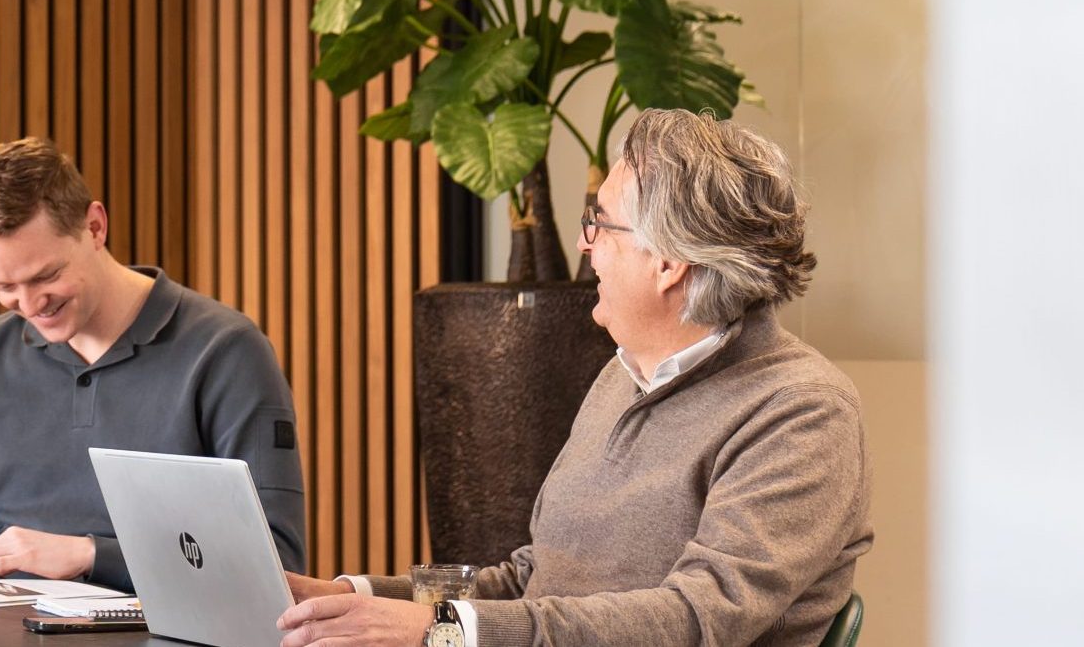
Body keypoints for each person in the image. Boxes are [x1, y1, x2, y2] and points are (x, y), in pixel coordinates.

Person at [275, 109, 871, 647]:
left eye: (601, 224)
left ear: (666, 262)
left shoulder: (801, 410)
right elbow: (534, 578)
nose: (586, 245)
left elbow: (696, 620)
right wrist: (353, 599)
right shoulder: (622, 375)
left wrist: (443, 633)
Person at [0, 136, 307, 592]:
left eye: (47, 276)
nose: (29, 303)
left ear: (96, 227)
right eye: (4, 286)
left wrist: (87, 555)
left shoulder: (225, 351)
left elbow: (276, 561)